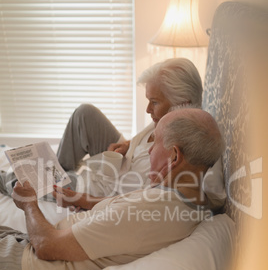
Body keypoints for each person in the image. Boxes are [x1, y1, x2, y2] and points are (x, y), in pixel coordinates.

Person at [0, 107, 224, 270]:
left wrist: (29, 204)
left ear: (174, 156)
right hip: (33, 258)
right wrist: (85, 200)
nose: (147, 151)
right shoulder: (195, 199)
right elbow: (126, 210)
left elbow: (46, 245)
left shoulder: (146, 211)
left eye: (154, 142)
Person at [52, 57, 203, 210]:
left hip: (103, 190)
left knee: (39, 185)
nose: (148, 109)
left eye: (155, 102)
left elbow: (133, 204)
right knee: (85, 114)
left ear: (182, 104)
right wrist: (129, 145)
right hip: (121, 163)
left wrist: (81, 200)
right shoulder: (166, 120)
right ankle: (57, 171)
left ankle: (52, 178)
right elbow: (145, 145)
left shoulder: (178, 154)